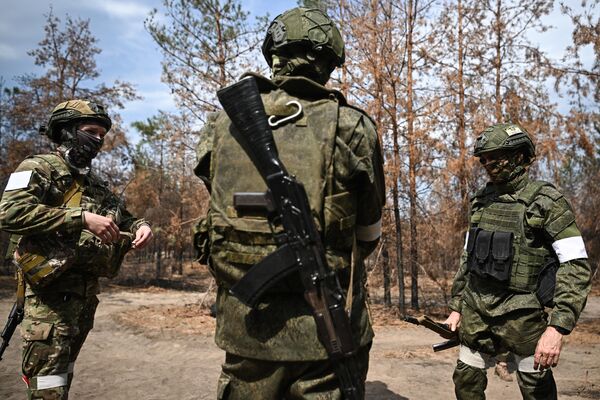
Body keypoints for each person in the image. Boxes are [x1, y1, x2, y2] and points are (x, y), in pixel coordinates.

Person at [193, 7, 385, 399]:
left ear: (274, 52)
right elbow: (368, 229)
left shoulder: (221, 125)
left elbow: (217, 206)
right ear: (330, 60)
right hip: (326, 335)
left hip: (247, 328)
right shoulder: (352, 127)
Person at [0, 99, 153, 399]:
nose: (98, 139)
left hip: (82, 301)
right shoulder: (38, 167)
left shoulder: (95, 183)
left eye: (101, 134)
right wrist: (80, 218)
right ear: (68, 130)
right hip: (48, 302)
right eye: (91, 131)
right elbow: (9, 212)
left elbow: (127, 216)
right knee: (47, 390)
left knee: (63, 378)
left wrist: (142, 226)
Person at [444, 123, 593, 400]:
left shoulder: (546, 201)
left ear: (520, 156)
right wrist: (457, 306)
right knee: (466, 383)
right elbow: (469, 258)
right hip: (477, 311)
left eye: (496, 156)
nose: (488, 163)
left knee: (537, 391)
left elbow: (576, 266)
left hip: (523, 317)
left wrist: (557, 327)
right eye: (484, 158)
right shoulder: (481, 201)